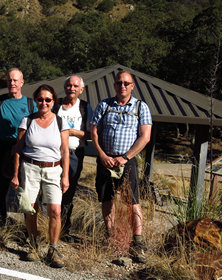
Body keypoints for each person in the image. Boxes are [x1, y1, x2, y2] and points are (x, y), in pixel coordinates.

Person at [90, 70, 152, 264]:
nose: (122, 86)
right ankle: (109, 236)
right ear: (114, 85)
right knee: (107, 199)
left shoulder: (141, 107)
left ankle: (137, 242)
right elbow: (94, 130)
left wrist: (126, 157)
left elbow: (145, 136)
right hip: (105, 160)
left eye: (126, 83)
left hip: (128, 162)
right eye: (119, 83)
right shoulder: (104, 105)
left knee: (133, 201)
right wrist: (101, 155)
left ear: (132, 86)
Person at [11, 84, 70, 268]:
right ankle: (33, 244)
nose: (43, 103)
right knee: (30, 209)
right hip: (30, 169)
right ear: (35, 101)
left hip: (53, 170)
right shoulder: (27, 121)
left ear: (53, 101)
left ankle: (53, 248)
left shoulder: (61, 122)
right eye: (40, 99)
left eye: (48, 99)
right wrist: (15, 174)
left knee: (55, 211)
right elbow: (18, 150)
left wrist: (65, 176)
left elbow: (65, 151)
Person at [0, 68, 36, 227]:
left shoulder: (31, 104)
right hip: (3, 148)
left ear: (22, 82)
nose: (12, 83)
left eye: (15, 80)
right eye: (9, 80)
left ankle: (27, 228)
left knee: (26, 189)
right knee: (1, 189)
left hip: (25, 149)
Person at [54, 75, 93, 242]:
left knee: (68, 191)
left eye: (76, 86)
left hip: (74, 154)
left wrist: (70, 132)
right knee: (50, 189)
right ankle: (47, 226)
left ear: (81, 90)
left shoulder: (84, 107)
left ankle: (64, 229)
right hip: (53, 154)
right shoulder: (56, 106)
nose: (72, 88)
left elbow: (91, 134)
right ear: (64, 87)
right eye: (69, 85)